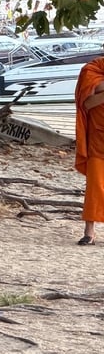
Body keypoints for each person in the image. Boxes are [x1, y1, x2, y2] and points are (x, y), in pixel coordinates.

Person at [74, 57, 104, 244]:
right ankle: (89, 232)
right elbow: (86, 104)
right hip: (98, 139)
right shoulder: (91, 70)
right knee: (96, 185)